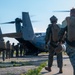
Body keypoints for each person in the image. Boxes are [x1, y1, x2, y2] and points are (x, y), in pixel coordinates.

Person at [58, 8, 75, 75]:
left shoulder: (67, 20)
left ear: (70, 13)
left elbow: (61, 33)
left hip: (70, 46)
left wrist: (59, 42)